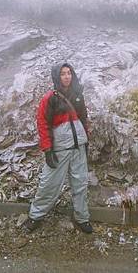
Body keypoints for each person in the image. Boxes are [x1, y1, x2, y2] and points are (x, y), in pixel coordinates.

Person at [23, 62, 92, 234]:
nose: (67, 76)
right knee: (49, 184)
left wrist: (86, 141)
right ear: (57, 76)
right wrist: (47, 150)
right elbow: (43, 124)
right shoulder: (49, 98)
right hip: (59, 149)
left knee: (80, 184)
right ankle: (35, 216)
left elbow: (83, 119)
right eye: (63, 74)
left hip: (78, 148)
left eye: (69, 73)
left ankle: (82, 218)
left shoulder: (78, 95)